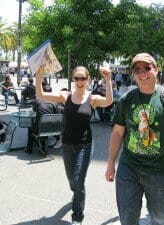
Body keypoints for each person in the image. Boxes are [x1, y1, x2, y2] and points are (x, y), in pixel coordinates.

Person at [105, 53, 164, 225]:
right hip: (128, 169)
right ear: (133, 74)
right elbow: (117, 133)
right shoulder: (126, 100)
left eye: (147, 68)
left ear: (156, 70)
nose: (142, 73)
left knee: (159, 220)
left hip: (159, 171)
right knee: (127, 219)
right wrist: (110, 164)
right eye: (138, 70)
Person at [35, 65, 113, 225]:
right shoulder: (66, 96)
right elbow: (40, 94)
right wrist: (39, 76)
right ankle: (77, 193)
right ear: (73, 79)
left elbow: (109, 101)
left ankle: (77, 217)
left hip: (85, 145)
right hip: (67, 144)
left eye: (83, 78)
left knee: (78, 180)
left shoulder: (92, 99)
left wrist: (108, 81)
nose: (79, 81)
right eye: (77, 78)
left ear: (88, 79)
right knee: (72, 180)